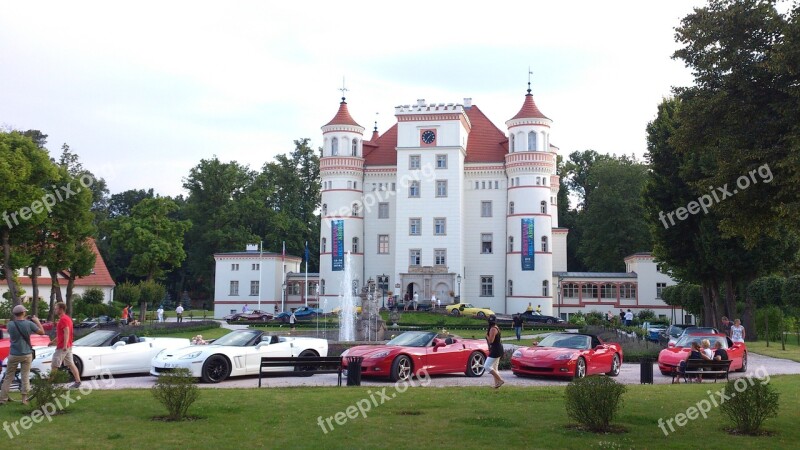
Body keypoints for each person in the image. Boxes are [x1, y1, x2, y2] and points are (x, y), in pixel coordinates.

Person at [0, 305, 45, 405]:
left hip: (14, 354)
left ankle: (3, 399)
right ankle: (24, 399)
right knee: (25, 376)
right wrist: (37, 321)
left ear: (14, 314)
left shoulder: (10, 324)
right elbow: (42, 332)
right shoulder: (29, 324)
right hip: (26, 354)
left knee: (8, 377)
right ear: (24, 313)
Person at [50, 302, 82, 388]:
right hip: (68, 346)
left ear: (61, 309)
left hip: (62, 347)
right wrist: (52, 341)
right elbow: (61, 334)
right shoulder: (67, 318)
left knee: (54, 364)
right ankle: (78, 381)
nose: (55, 310)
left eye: (56, 308)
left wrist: (64, 345)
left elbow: (66, 332)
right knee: (70, 364)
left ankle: (49, 384)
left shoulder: (63, 319)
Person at [484, 315, 505, 388]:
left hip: (495, 350)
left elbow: (491, 341)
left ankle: (500, 380)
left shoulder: (493, 329)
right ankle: (497, 385)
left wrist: (486, 336)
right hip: (498, 349)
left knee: (486, 366)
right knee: (495, 368)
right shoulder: (496, 327)